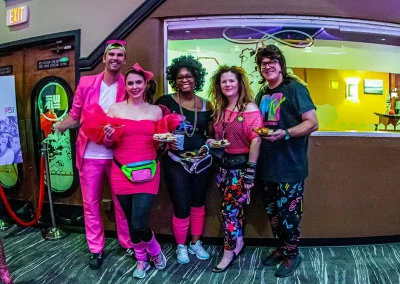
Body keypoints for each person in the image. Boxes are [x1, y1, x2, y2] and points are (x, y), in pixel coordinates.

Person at [54, 40, 134, 269]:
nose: (115, 58)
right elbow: (75, 115)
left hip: (118, 155)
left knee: (122, 203)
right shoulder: (87, 83)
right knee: (91, 204)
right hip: (90, 154)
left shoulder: (128, 85)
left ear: (124, 60)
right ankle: (96, 249)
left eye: (120, 55)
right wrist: (60, 125)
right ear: (104, 58)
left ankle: (126, 242)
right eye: (112, 55)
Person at [255, 45, 318, 278]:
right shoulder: (262, 93)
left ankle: (293, 254)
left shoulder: (295, 89)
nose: (268, 66)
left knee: (289, 215)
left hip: (290, 166)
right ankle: (282, 249)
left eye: (272, 61)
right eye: (263, 63)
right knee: (273, 213)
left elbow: (312, 122)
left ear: (281, 64)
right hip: (267, 167)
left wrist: (287, 133)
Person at [100, 64, 167, 279]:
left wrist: (164, 142)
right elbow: (108, 143)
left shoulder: (156, 111)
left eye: (139, 82)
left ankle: (155, 251)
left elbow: (162, 144)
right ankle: (141, 259)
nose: (134, 86)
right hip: (121, 171)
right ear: (125, 86)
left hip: (149, 171)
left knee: (139, 222)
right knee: (130, 222)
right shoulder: (114, 109)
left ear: (146, 84)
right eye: (130, 83)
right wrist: (108, 135)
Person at [155, 55, 213, 264]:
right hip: (175, 162)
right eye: (179, 77)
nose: (184, 80)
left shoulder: (207, 105)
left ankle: (195, 243)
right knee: (181, 205)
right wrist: (163, 142)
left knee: (198, 204)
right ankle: (181, 246)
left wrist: (210, 145)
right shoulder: (165, 102)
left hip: (203, 162)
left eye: (188, 76)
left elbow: (211, 134)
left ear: (196, 77)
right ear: (174, 80)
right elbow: (156, 130)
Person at [208, 66, 262, 272]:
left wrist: (250, 172)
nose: (228, 85)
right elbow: (219, 136)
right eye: (224, 82)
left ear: (239, 83)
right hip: (222, 168)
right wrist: (213, 141)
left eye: (231, 81)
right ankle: (238, 242)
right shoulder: (220, 108)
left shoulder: (249, 108)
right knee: (234, 210)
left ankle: (228, 252)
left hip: (240, 170)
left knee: (228, 212)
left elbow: (256, 141)